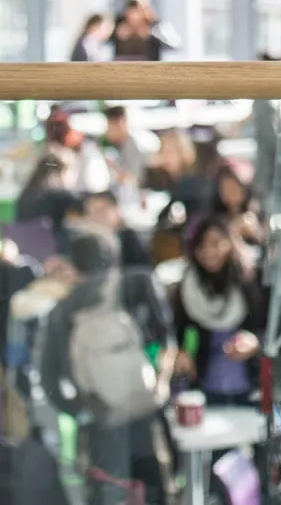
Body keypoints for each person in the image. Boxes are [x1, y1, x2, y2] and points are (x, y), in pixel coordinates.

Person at [39, 227, 176, 505]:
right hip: (145, 412)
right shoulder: (138, 283)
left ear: (74, 263)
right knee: (154, 490)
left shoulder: (62, 311)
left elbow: (49, 380)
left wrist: (82, 410)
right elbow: (166, 340)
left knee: (107, 494)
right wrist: (160, 384)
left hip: (101, 423)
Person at [171, 215, 267, 406]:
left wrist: (256, 343)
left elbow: (270, 327)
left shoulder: (251, 280)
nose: (209, 252)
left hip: (252, 386)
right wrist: (184, 352)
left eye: (216, 243)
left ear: (229, 242)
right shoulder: (189, 285)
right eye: (201, 245)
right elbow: (182, 328)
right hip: (205, 387)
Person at [80, 191, 152, 268]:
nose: (96, 217)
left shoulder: (129, 239)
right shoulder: (85, 244)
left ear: (116, 209)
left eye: (101, 210)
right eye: (91, 212)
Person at [101, 106, 146, 185]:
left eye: (109, 125)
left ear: (121, 123)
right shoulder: (120, 146)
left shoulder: (134, 147)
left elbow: (133, 179)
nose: (107, 131)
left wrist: (113, 170)